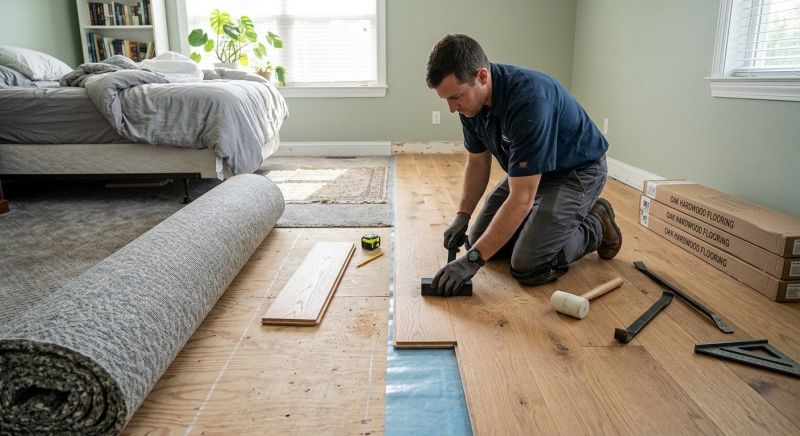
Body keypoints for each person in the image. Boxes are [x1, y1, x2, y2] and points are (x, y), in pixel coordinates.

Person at [426, 34, 622, 296]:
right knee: (479, 242)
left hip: (576, 171)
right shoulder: (471, 105)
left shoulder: (529, 101)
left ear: (482, 77)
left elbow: (522, 198)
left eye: (456, 97)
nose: (452, 108)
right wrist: (462, 216)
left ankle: (597, 222)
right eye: (446, 100)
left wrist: (472, 261)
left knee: (529, 265)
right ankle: (544, 225)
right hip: (531, 174)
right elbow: (477, 162)